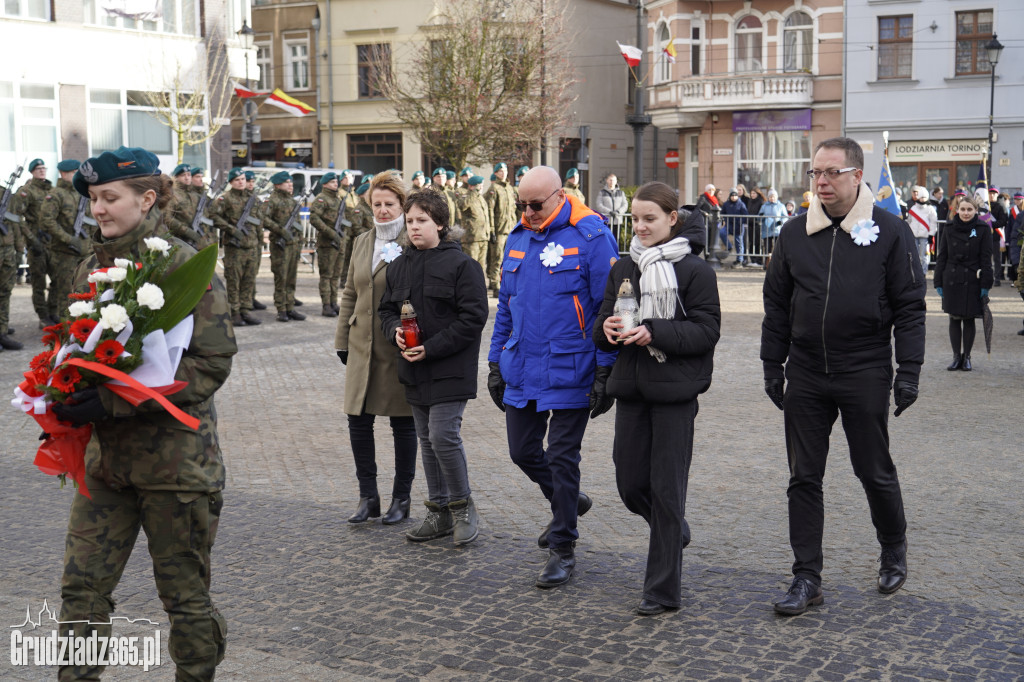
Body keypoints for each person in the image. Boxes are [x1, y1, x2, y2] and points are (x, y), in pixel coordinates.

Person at [59, 145, 236, 681]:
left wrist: (116, 400)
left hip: (175, 471)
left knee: (184, 599)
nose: (99, 209)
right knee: (81, 591)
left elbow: (211, 363)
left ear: (148, 198)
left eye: (110, 197)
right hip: (105, 466)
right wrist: (61, 389)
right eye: (93, 199)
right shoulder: (91, 268)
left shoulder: (187, 266)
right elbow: (75, 350)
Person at [761, 137, 925, 616]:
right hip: (807, 372)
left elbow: (911, 309)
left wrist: (908, 371)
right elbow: (776, 306)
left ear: (857, 176)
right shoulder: (794, 234)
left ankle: (893, 546)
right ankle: (806, 576)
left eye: (832, 173)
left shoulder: (891, 233)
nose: (822, 182)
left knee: (873, 470)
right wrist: (774, 365)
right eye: (815, 174)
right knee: (803, 476)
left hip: (865, 368)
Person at [487, 166, 618, 588]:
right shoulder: (519, 237)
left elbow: (607, 307)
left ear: (560, 196)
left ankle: (563, 545)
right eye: (522, 204)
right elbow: (506, 306)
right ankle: (569, 502)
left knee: (563, 457)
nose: (528, 212)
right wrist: (494, 362)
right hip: (522, 365)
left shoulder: (592, 237)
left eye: (536, 204)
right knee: (522, 451)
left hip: (572, 366)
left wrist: (605, 367)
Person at [594, 181, 720, 616]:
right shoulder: (623, 267)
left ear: (672, 219)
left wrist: (655, 331)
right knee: (630, 485)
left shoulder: (696, 271)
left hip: (675, 393)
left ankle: (662, 590)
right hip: (631, 388)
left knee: (668, 492)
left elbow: (707, 331)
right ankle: (673, 530)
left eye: (650, 218)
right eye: (636, 218)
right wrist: (607, 330)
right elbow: (602, 321)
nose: (641, 226)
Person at [379, 190, 489, 545]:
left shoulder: (463, 266)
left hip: (449, 368)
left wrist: (432, 348)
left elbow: (474, 318)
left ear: (440, 224)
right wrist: (393, 330)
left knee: (443, 436)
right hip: (413, 369)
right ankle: (438, 512)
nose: (414, 228)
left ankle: (462, 508)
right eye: (410, 221)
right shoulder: (399, 265)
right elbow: (385, 311)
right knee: (426, 440)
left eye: (422, 220)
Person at [335, 172, 417, 525]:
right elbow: (351, 292)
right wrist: (341, 339)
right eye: (377, 204)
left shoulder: (411, 240)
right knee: (357, 419)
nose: (382, 210)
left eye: (389, 204)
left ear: (401, 205)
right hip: (360, 344)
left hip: (394, 343)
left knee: (403, 422)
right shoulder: (362, 240)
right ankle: (368, 497)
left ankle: (402, 498)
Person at [933, 195, 992, 371]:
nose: (966, 213)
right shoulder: (949, 227)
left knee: (968, 319)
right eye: (963, 209)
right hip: (951, 277)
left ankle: (967, 357)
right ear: (957, 209)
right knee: (954, 318)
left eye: (969, 209)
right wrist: (938, 281)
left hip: (973, 278)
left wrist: (985, 285)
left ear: (975, 211)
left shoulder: (983, 229)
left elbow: (986, 258)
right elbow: (941, 255)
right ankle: (955, 357)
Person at [38, 159, 92, 320]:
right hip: (64, 254)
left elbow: (91, 220)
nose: (78, 175)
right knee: (66, 295)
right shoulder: (56, 194)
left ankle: (83, 329)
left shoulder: (82, 193)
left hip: (85, 251)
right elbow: (46, 221)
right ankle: (66, 332)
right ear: (64, 173)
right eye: (74, 172)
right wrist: (68, 239)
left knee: (86, 292)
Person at [210, 167, 261, 326]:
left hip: (251, 245)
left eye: (243, 179)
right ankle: (235, 312)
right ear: (231, 182)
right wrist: (232, 229)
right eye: (237, 180)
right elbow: (213, 216)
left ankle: (246, 310)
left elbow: (259, 218)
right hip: (235, 247)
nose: (241, 182)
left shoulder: (253, 198)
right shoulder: (225, 199)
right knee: (234, 281)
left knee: (248, 280)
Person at [262, 171, 305, 323]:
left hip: (293, 244)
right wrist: (280, 230)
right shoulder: (272, 200)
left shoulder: (292, 201)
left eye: (291, 182)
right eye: (287, 182)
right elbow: (264, 219)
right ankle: (281, 309)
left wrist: (300, 241)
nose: (291, 185)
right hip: (280, 246)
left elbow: (298, 223)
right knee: (281, 278)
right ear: (278, 184)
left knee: (291, 278)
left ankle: (290, 306)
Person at [17, 158, 56, 327]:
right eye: (38, 168)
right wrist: (31, 239)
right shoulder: (26, 191)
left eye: (44, 168)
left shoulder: (52, 190)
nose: (42, 171)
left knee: (58, 279)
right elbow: (17, 217)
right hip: (36, 243)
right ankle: (43, 316)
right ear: (32, 172)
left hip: (53, 242)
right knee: (38, 282)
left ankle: (53, 311)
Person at [309, 171, 345, 317]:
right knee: (326, 275)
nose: (335, 184)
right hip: (327, 243)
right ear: (324, 184)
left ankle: (334, 302)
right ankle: (326, 305)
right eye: (332, 182)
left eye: (336, 182)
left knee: (336, 275)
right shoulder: (321, 199)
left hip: (339, 242)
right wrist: (331, 233)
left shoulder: (337, 199)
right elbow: (314, 218)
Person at [0, 168, 27, 351]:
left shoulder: (5, 194)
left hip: (7, 251)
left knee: (5, 292)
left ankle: (2, 332)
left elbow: (15, 223)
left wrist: (19, 249)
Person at [485, 162, 517, 297]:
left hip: (510, 228)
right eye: (500, 171)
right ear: (496, 173)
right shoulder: (494, 188)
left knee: (509, 258)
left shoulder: (510, 189)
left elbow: (514, 210)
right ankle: (495, 285)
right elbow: (490, 211)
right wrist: (492, 229)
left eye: (504, 171)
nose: (503, 173)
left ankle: (506, 283)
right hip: (499, 229)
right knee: (497, 258)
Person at [456, 175, 490, 284]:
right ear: (472, 186)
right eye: (480, 185)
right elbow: (462, 206)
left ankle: (480, 287)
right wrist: (472, 192)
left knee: (481, 267)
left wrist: (489, 232)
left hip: (483, 236)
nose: (481, 187)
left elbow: (485, 217)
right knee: (471, 267)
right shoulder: (466, 196)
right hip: (472, 238)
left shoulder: (481, 198)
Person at [164, 163, 202, 247]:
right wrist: (186, 231)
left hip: (196, 240)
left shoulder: (195, 195)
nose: (187, 177)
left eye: (189, 174)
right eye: (183, 175)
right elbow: (167, 218)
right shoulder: (172, 194)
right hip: (178, 239)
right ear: (176, 177)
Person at [906, 185, 938, 281]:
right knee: (914, 254)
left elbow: (933, 222)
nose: (922, 199)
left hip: (925, 236)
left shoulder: (930, 209)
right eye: (921, 197)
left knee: (924, 255)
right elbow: (909, 221)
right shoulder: (913, 209)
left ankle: (923, 272)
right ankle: (915, 271)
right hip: (914, 235)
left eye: (924, 197)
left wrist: (931, 234)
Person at [720, 188, 749, 266]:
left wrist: (740, 222)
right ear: (730, 196)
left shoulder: (741, 204)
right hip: (729, 225)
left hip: (738, 226)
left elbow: (745, 215)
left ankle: (739, 260)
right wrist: (723, 220)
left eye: (735, 195)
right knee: (722, 232)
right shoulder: (726, 204)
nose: (733, 197)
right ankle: (729, 247)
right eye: (732, 195)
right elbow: (722, 213)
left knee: (739, 243)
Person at [757, 188, 787, 263]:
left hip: (777, 230)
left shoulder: (781, 206)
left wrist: (781, 221)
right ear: (768, 197)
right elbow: (759, 218)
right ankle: (767, 263)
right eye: (770, 197)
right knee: (767, 248)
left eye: (773, 196)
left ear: (776, 197)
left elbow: (785, 217)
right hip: (766, 230)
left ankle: (778, 264)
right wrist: (761, 216)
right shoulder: (764, 206)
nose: (772, 198)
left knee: (778, 248)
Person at [987, 186, 1008, 285]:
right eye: (990, 193)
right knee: (986, 257)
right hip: (985, 236)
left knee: (997, 258)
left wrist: (991, 224)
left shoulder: (1001, 206)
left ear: (997, 194)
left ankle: (997, 278)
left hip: (996, 236)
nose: (991, 195)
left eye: (994, 193)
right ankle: (987, 277)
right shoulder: (984, 206)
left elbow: (1003, 221)